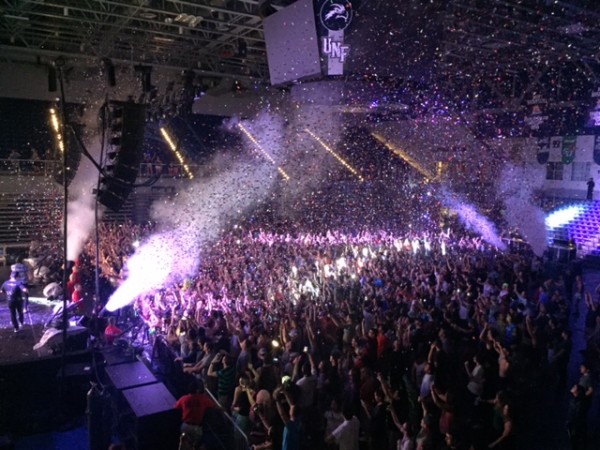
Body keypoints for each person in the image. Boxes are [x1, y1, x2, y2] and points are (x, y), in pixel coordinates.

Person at [175, 379, 216, 447]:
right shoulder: (203, 398)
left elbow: (175, 407)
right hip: (196, 428)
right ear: (197, 390)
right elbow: (213, 406)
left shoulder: (184, 399)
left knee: (183, 445)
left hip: (185, 426)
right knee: (195, 446)